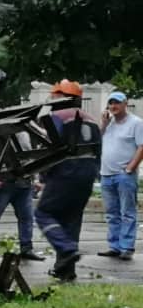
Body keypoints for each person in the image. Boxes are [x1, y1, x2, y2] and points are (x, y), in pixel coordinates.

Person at [36, 80, 96, 280]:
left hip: (65, 173)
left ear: (61, 96)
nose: (51, 99)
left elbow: (50, 149)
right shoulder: (92, 119)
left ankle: (67, 249)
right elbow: (99, 151)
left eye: (54, 96)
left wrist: (43, 174)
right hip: (87, 175)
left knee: (43, 213)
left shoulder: (57, 117)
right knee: (71, 219)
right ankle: (66, 271)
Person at [96, 90, 143, 261]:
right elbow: (96, 141)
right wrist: (103, 123)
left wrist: (130, 168)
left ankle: (126, 247)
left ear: (125, 104)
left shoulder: (136, 123)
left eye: (117, 102)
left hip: (124, 175)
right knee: (111, 213)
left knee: (127, 212)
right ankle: (114, 246)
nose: (113, 106)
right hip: (106, 174)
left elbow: (141, 146)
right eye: (111, 103)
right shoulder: (109, 123)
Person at [0, 170, 39, 259]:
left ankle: (26, 249)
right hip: (4, 183)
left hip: (24, 184)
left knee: (27, 217)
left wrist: (35, 179)